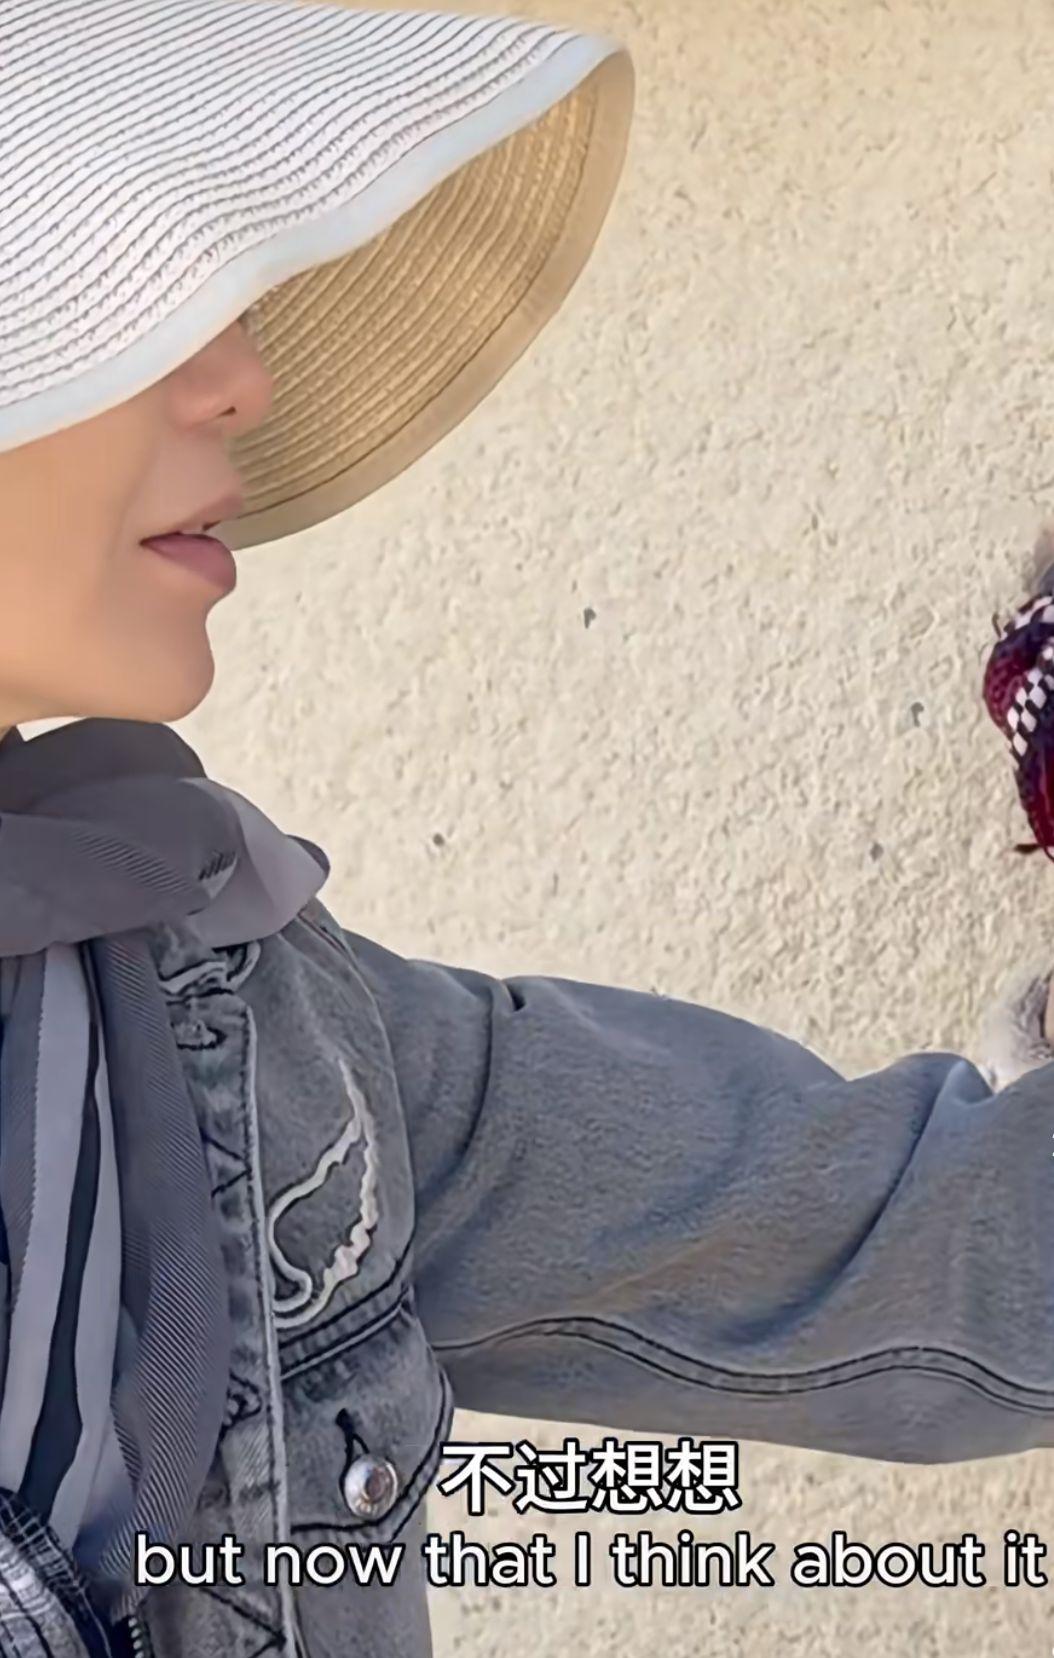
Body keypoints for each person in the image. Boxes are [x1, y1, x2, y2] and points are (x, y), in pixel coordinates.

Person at [0, 2, 1052, 1657]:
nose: (245, 379)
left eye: (227, 300)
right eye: (120, 287)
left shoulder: (236, 1026)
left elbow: (922, 1245)